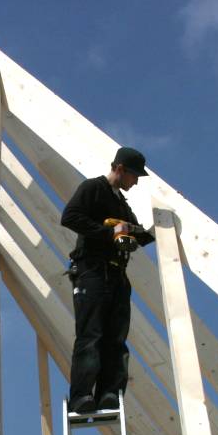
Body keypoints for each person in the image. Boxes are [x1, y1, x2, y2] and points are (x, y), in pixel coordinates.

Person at [60, 146, 155, 415]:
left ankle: (109, 394)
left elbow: (134, 236)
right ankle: (81, 396)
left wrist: (153, 230)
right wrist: (108, 231)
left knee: (116, 338)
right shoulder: (94, 188)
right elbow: (70, 217)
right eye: (134, 176)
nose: (135, 182)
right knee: (91, 335)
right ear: (121, 169)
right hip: (91, 271)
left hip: (116, 275)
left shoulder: (123, 205)